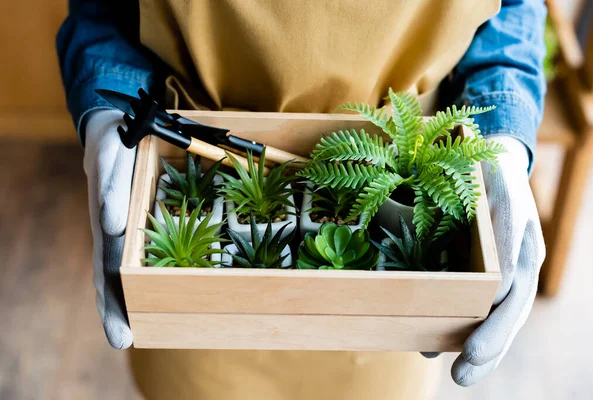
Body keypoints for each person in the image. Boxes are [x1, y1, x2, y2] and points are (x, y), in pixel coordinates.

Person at [56, 0, 547, 398]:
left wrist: (502, 136)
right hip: (198, 322)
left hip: (396, 217)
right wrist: (106, 109)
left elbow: (512, 9)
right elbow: (104, 9)